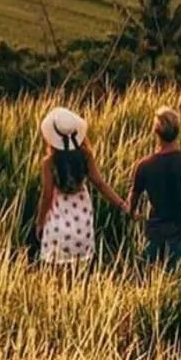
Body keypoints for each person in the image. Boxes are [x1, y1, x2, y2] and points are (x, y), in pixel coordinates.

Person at [35, 106, 126, 265]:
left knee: (55, 273)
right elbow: (100, 184)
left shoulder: (49, 162)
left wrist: (40, 221)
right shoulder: (85, 155)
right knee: (77, 273)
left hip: (57, 223)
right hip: (81, 222)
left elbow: (47, 195)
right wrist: (123, 205)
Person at [128, 106, 181, 264]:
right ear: (178, 131)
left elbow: (133, 197)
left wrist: (132, 213)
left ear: (156, 132)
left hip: (154, 236)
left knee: (148, 283)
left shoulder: (144, 165)